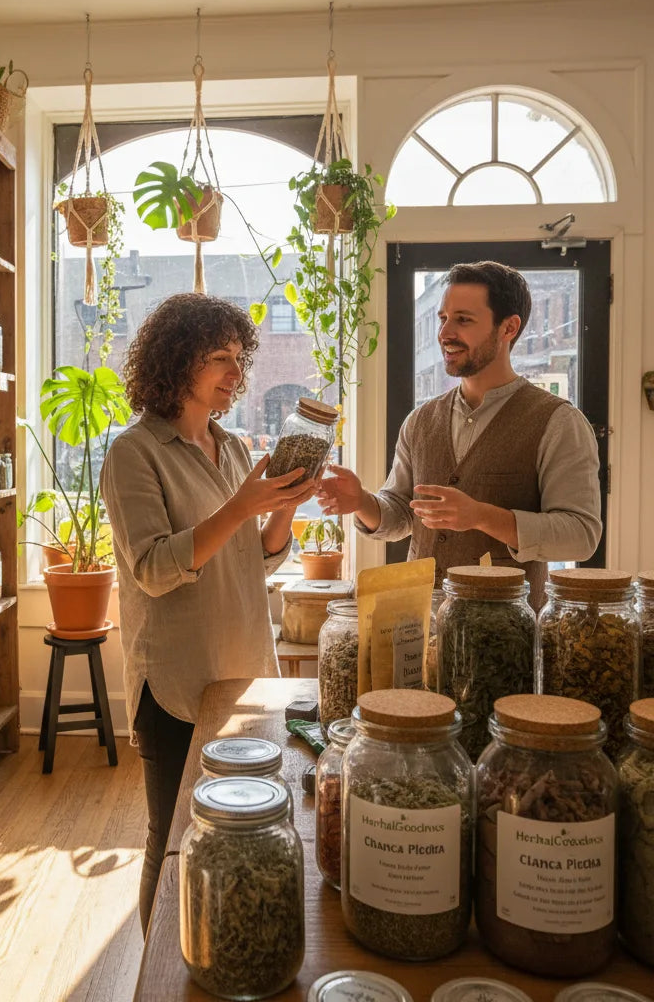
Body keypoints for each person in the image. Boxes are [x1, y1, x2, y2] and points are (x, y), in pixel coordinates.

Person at [99, 293, 317, 932]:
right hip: (174, 682)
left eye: (240, 358)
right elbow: (154, 568)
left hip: (245, 671)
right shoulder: (134, 452)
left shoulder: (235, 449)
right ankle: (156, 973)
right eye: (220, 358)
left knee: (242, 828)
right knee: (170, 840)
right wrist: (242, 508)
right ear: (176, 362)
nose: (236, 373)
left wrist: (284, 502)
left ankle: (219, 950)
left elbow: (257, 560)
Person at [316, 260, 602, 609]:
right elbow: (403, 515)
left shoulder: (558, 422)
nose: (445, 333)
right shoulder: (420, 421)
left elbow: (581, 535)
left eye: (463, 320)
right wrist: (361, 502)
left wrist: (482, 515)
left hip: (507, 636)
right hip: (421, 628)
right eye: (443, 319)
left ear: (508, 327)